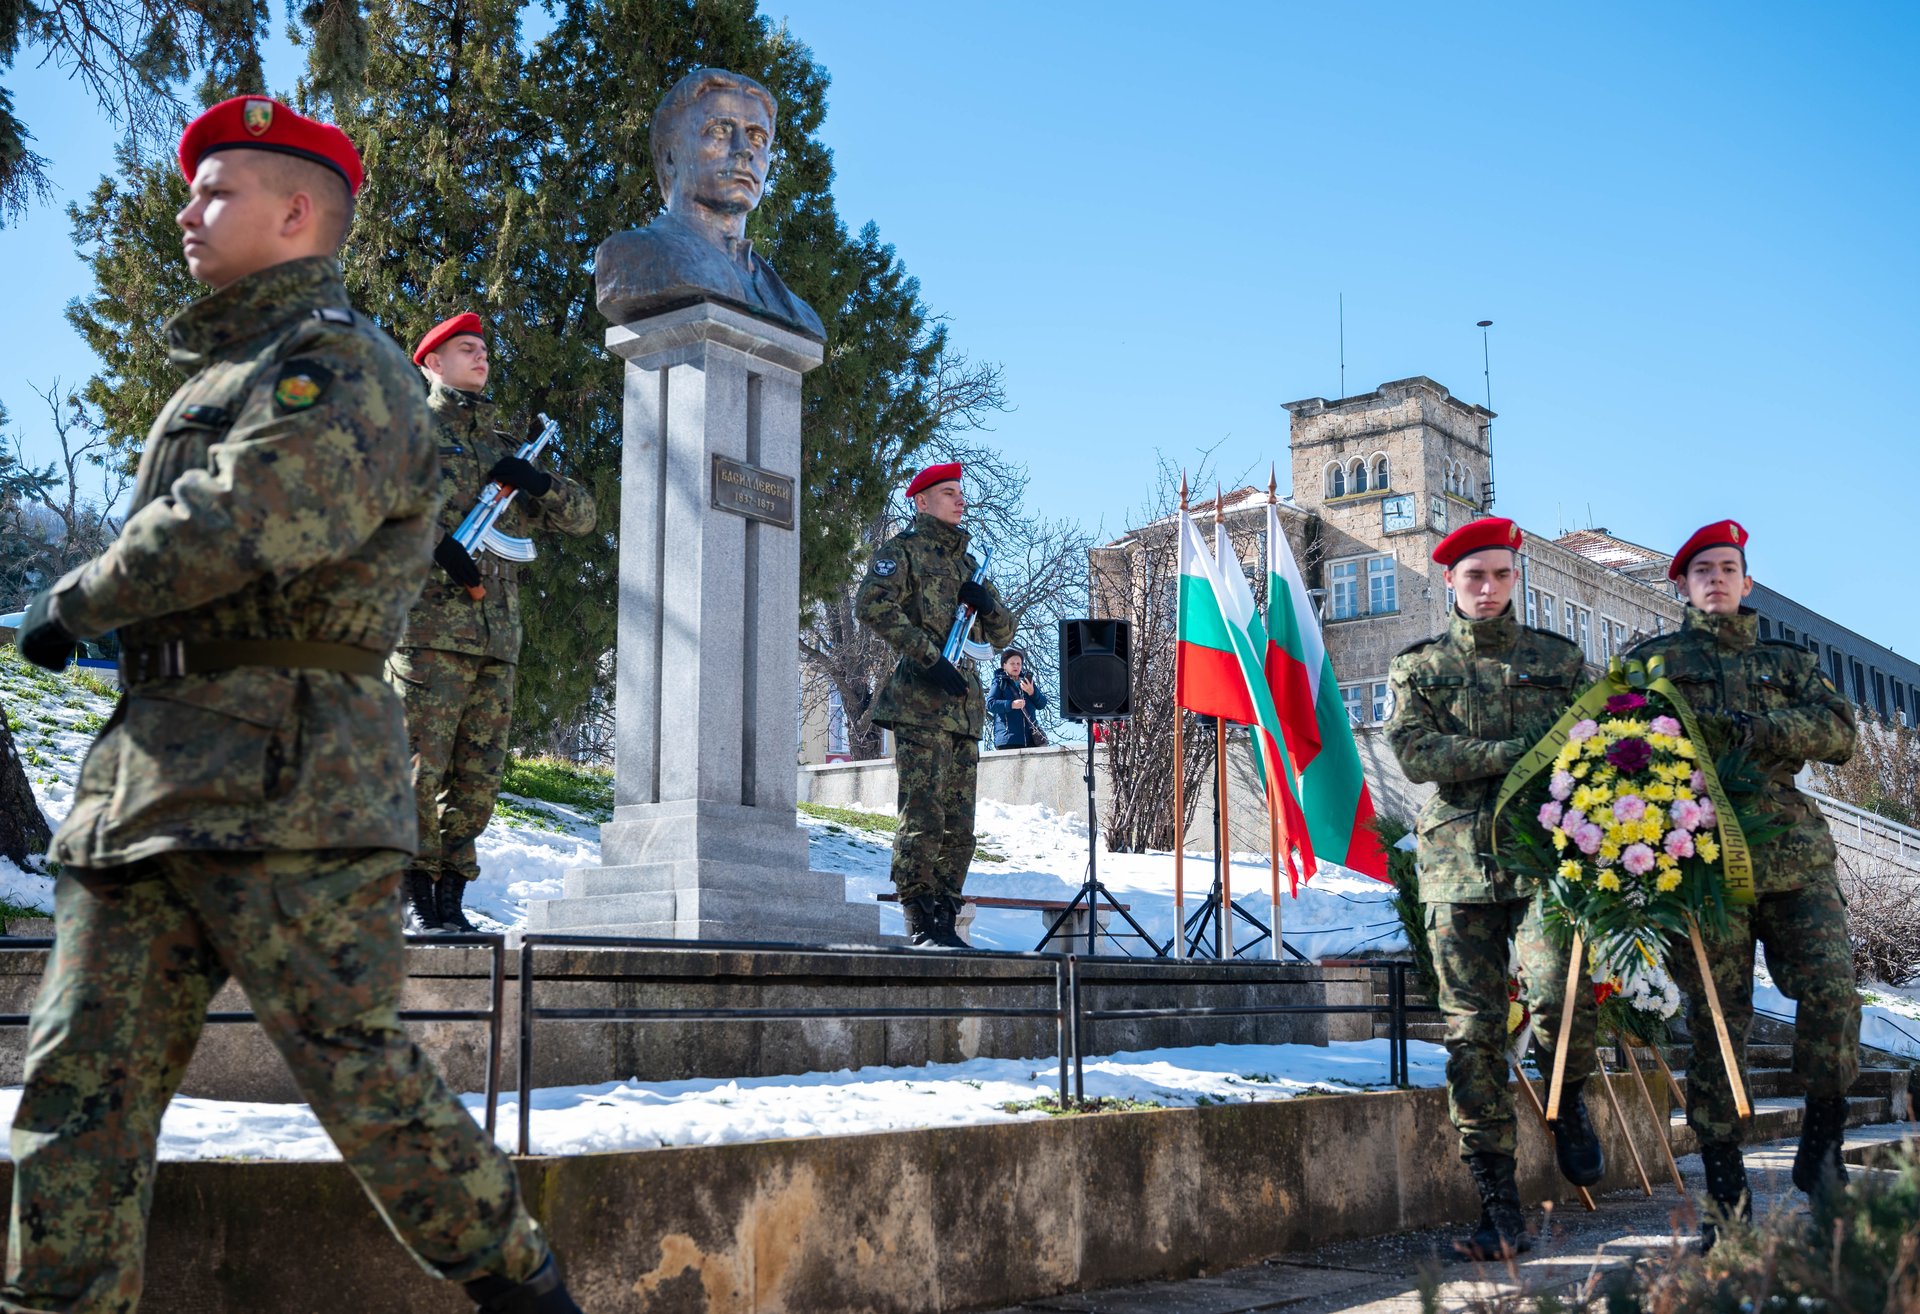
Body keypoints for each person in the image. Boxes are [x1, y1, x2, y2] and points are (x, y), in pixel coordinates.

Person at [6, 96, 581, 1313]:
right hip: (153, 783)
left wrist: (78, 599)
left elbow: (246, 516)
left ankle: (531, 1295)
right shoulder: (229, 370)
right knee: (73, 1107)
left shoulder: (342, 368)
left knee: (364, 1085)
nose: (185, 211)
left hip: (291, 786)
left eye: (214, 192)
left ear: (296, 213)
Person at [1627, 520, 1859, 1245]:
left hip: (1792, 857)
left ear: (1747, 582)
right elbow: (1615, 745)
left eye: (1730, 568)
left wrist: (1756, 728)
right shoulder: (1652, 663)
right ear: (1682, 585)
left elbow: (1839, 734)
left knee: (1833, 991)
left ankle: (1821, 1150)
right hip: (1701, 871)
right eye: (1704, 570)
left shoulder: (1789, 660)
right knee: (1714, 1027)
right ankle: (1726, 1202)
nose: (1718, 579)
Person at [1386, 517, 1604, 1261]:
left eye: (1501, 575)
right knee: (1471, 1036)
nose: (1487, 588)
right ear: (1450, 581)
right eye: (1474, 575)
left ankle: (1567, 1094)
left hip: (1544, 861)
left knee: (1559, 991)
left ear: (1517, 579)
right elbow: (1419, 753)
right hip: (1457, 864)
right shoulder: (1417, 668)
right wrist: (1513, 753)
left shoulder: (1562, 660)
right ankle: (1498, 1208)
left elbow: (1596, 746)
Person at [393, 312, 597, 933]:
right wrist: (434, 545)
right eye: (465, 348)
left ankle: (452, 896)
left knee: (477, 777)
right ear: (431, 362)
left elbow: (582, 516)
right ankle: (413, 892)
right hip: (427, 630)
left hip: (496, 638)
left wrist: (536, 481)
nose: (480, 357)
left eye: (483, 349)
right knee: (417, 767)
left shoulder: (504, 443)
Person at [855, 462, 1014, 948]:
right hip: (922, 703)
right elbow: (872, 605)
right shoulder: (901, 552)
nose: (959, 501)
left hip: (964, 708)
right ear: (922, 501)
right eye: (948, 493)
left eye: (960, 494)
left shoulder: (969, 565)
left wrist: (985, 604)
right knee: (923, 816)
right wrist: (929, 657)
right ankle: (921, 917)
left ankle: (947, 914)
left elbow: (1003, 634)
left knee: (959, 823)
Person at [595, 67, 824, 339]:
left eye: (757, 137)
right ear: (670, 156)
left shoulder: (795, 310)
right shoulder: (631, 256)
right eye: (719, 130)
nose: (744, 149)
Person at [987, 648, 1048, 749]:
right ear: (1004, 665)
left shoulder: (1027, 682)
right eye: (1012, 663)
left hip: (1031, 740)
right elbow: (990, 704)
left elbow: (1042, 704)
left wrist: (1032, 692)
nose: (1016, 666)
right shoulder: (999, 682)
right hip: (1008, 740)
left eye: (1018, 664)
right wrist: (1011, 704)